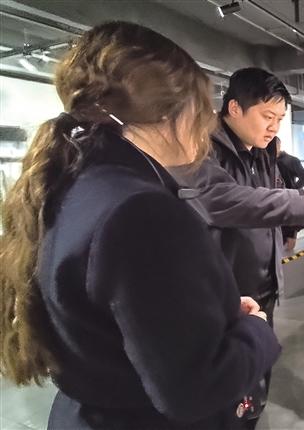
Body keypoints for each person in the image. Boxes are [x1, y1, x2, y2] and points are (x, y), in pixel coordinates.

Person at [0, 22, 280, 429]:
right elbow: (195, 387)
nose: (206, 127)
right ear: (169, 114)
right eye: (202, 111)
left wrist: (213, 312)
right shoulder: (144, 211)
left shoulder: (73, 183)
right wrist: (256, 331)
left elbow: (120, 316)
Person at [180, 67, 304, 420]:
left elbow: (272, 208)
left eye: (280, 118)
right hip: (227, 292)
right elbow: (223, 201)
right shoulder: (204, 148)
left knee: (257, 373)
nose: (274, 126)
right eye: (267, 116)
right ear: (234, 108)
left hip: (264, 286)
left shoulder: (262, 152)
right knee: (228, 388)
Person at [275, 138, 304, 251]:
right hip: (274, 201)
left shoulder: (291, 160)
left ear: (279, 145)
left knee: (288, 243)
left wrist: (294, 191)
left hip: (289, 201)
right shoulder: (267, 161)